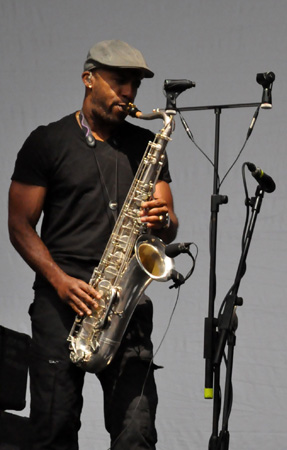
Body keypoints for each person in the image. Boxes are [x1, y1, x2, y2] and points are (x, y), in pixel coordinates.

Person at [8, 40, 179, 449]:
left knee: (137, 432)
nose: (129, 93)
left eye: (135, 85)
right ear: (88, 79)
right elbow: (19, 225)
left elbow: (169, 225)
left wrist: (163, 220)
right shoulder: (47, 141)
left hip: (125, 304)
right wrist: (60, 281)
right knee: (54, 429)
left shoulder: (145, 146)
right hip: (61, 302)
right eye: (120, 81)